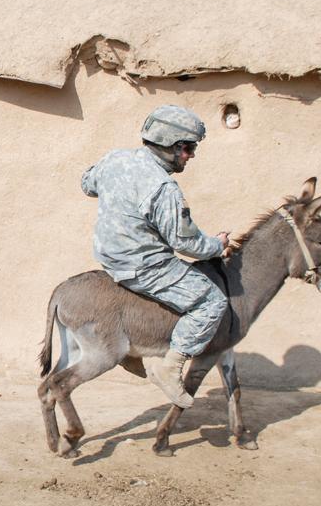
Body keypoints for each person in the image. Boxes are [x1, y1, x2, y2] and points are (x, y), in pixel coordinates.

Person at [80, 105, 231, 409]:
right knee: (212, 302)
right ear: (172, 146)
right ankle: (170, 366)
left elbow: (87, 184)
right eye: (188, 148)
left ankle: (135, 354)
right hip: (144, 265)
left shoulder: (116, 158)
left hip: (110, 257)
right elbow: (185, 242)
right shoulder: (163, 188)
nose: (191, 156)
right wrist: (218, 245)